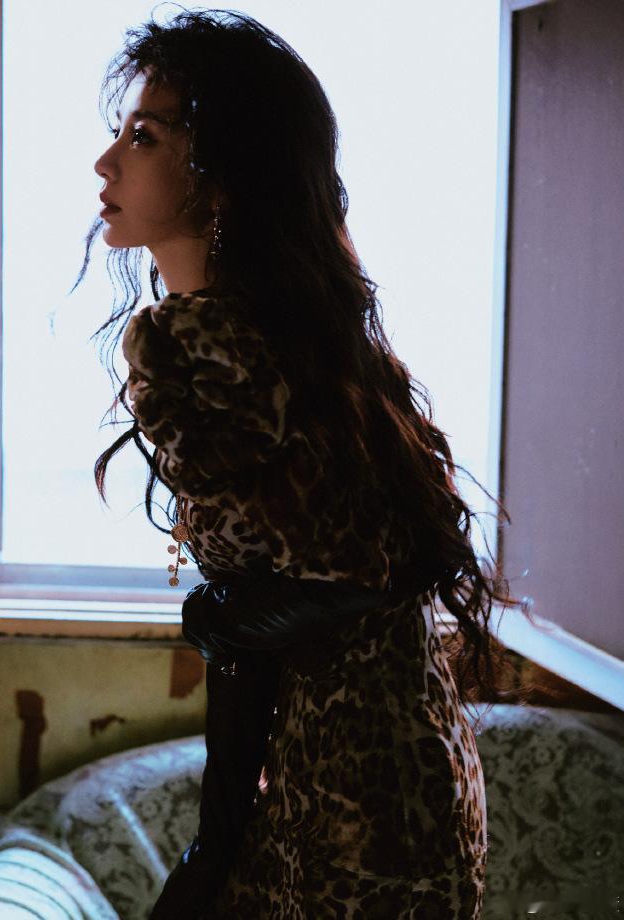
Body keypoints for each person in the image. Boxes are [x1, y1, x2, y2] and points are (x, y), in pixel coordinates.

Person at [80, 6, 538, 917]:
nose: (106, 162)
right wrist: (216, 841)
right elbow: (303, 584)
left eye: (144, 136)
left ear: (223, 177)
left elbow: (370, 565)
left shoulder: (244, 349)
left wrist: (231, 615)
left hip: (373, 800)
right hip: (325, 781)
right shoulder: (244, 340)